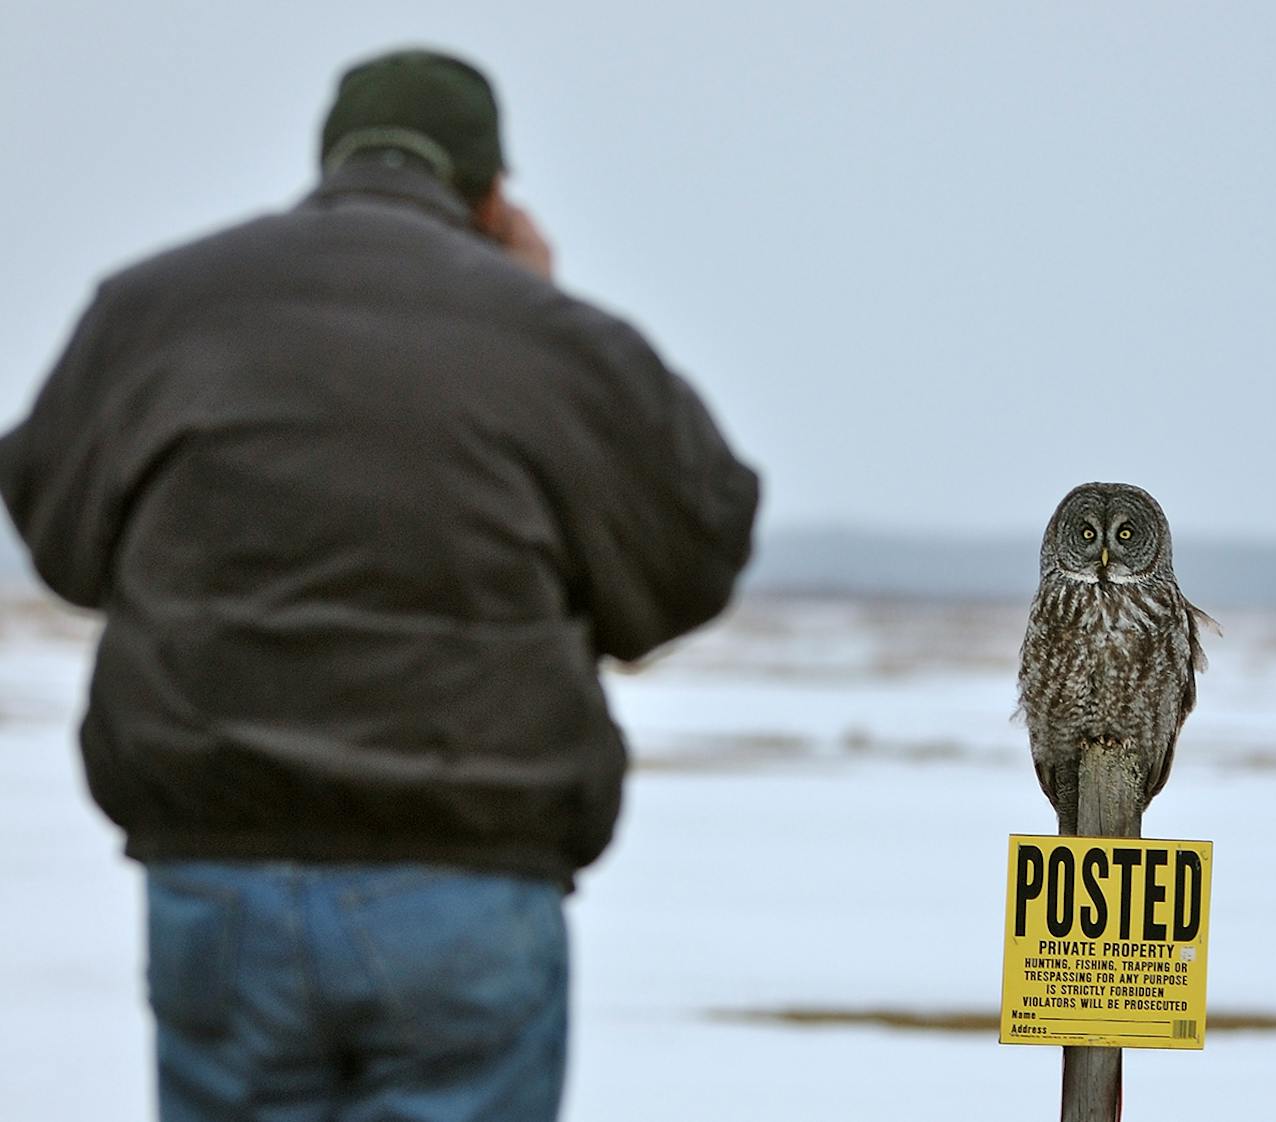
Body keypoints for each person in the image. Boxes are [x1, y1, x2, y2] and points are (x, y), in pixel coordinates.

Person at [0, 48, 758, 1122]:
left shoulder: (153, 311)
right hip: (464, 884)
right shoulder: (554, 340)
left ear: (327, 163)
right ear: (491, 195)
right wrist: (540, 308)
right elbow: (690, 554)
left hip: (217, 881)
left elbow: (62, 540)